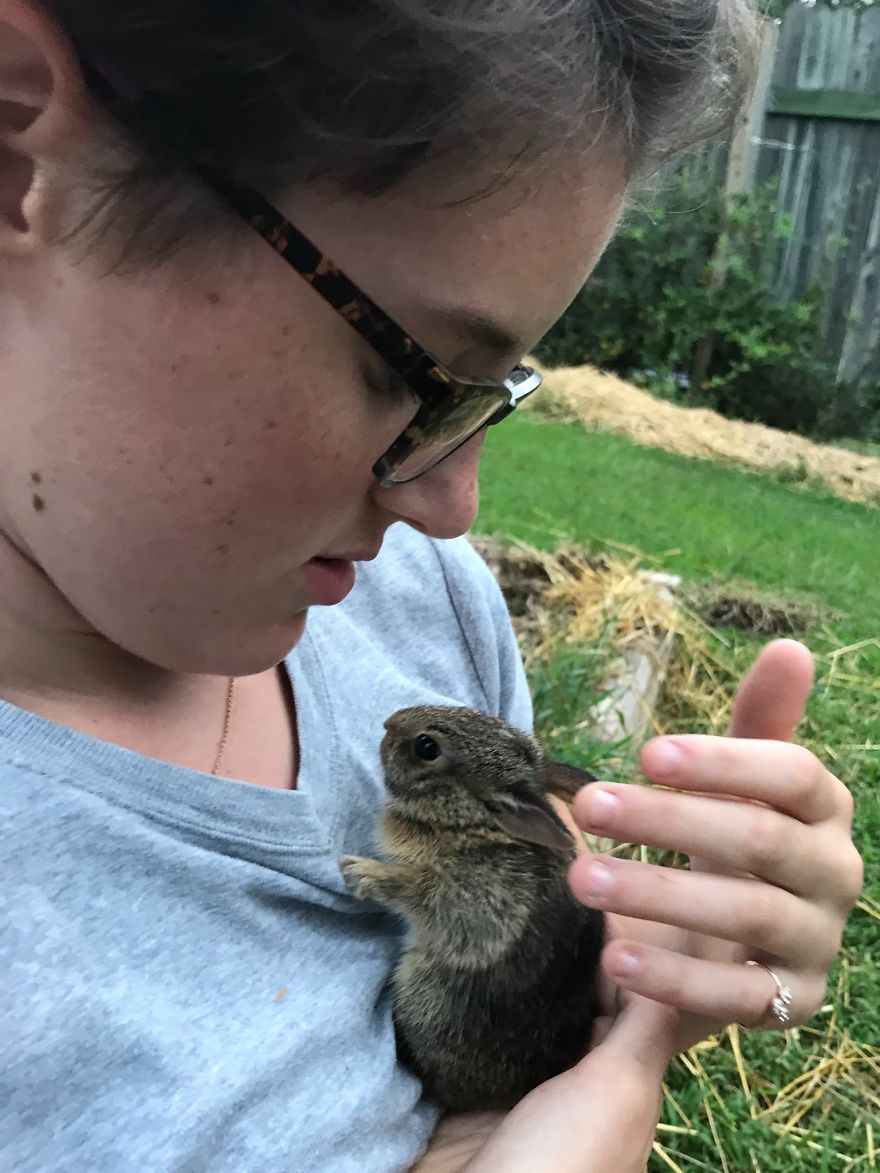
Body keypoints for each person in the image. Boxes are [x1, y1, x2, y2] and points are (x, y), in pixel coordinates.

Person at [0, 0, 863, 1170]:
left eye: (481, 398)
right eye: (404, 367)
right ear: (16, 145)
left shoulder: (423, 605)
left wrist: (629, 1017)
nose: (451, 509)